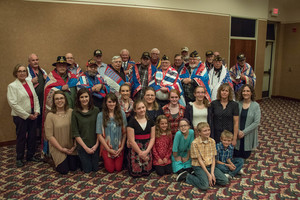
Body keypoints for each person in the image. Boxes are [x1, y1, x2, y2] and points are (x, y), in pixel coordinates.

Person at [42, 56, 78, 157]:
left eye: (64, 65)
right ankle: (55, 153)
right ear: (56, 66)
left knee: (70, 131)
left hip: (71, 111)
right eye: (60, 65)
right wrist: (60, 87)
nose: (62, 67)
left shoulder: (73, 77)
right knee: (57, 132)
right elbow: (47, 90)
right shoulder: (51, 77)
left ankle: (71, 149)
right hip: (56, 113)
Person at [7, 64, 40, 167]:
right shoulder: (12, 86)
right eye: (19, 71)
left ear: (26, 73)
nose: (22, 73)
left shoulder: (29, 83)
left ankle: (30, 156)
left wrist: (36, 111)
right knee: (21, 137)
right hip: (20, 116)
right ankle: (19, 158)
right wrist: (27, 115)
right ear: (16, 73)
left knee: (32, 136)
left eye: (24, 71)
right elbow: (13, 104)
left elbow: (35, 97)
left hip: (32, 114)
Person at [181, 122, 228, 190]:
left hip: (209, 165)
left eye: (208, 130)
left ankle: (204, 177)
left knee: (225, 181)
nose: (207, 132)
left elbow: (213, 158)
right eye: (205, 131)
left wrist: (212, 173)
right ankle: (188, 177)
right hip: (199, 166)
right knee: (204, 186)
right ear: (199, 133)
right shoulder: (195, 143)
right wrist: (208, 175)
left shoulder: (212, 141)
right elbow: (200, 161)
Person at [45, 91, 79, 174]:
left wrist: (74, 146)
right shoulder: (50, 116)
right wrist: (61, 149)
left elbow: (76, 130)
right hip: (58, 148)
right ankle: (52, 158)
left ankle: (69, 157)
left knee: (74, 168)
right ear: (54, 101)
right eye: (56, 99)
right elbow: (49, 136)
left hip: (71, 147)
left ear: (65, 100)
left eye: (61, 98)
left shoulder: (71, 112)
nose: (59, 101)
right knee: (64, 170)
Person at [96, 93, 127, 173]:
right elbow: (99, 135)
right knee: (110, 169)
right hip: (107, 147)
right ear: (106, 103)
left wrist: (121, 147)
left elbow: (124, 133)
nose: (112, 104)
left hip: (119, 147)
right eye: (109, 102)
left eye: (113, 102)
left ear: (116, 103)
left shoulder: (122, 113)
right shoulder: (100, 115)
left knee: (118, 168)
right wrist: (109, 149)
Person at [72, 88, 100, 173]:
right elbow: (75, 132)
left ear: (90, 97)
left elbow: (99, 130)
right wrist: (86, 148)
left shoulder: (96, 110)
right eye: (82, 97)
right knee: (87, 170)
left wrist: (96, 145)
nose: (84, 99)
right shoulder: (75, 112)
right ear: (78, 99)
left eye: (86, 96)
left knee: (95, 169)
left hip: (95, 144)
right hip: (83, 146)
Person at [127, 100, 155, 177]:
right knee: (136, 173)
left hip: (147, 148)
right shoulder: (132, 122)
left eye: (143, 107)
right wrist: (140, 153)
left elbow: (152, 138)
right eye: (139, 108)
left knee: (147, 172)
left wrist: (147, 151)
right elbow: (131, 140)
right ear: (135, 110)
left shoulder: (151, 121)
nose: (142, 110)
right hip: (136, 148)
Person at [235, 84, 261, 159]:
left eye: (248, 91)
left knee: (245, 155)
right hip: (237, 133)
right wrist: (238, 131)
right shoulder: (237, 104)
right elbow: (233, 119)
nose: (245, 93)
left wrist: (244, 132)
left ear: (251, 93)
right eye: (244, 91)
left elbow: (256, 122)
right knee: (236, 154)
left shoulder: (256, 106)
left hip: (248, 134)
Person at [26, 53, 48, 142]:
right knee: (32, 123)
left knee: (41, 121)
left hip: (43, 101)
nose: (35, 62)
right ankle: (31, 141)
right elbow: (23, 85)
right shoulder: (26, 71)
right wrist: (31, 81)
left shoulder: (42, 71)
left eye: (37, 60)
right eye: (33, 60)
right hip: (32, 102)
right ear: (29, 61)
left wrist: (47, 79)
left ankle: (39, 139)